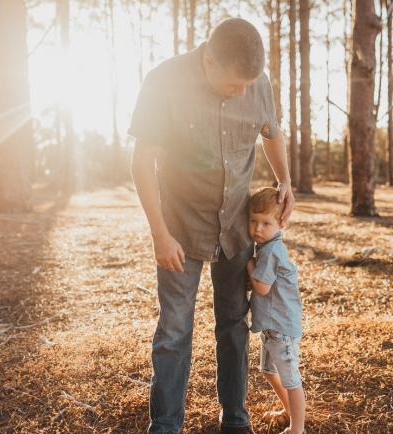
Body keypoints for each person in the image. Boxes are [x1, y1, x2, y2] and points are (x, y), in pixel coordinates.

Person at [128, 17, 295, 434]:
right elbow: (141, 161)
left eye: (248, 84)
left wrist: (285, 179)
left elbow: (270, 132)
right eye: (235, 84)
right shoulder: (163, 81)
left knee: (234, 326)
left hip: (237, 230)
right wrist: (159, 235)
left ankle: (236, 422)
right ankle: (165, 426)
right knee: (174, 331)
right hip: (181, 231)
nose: (244, 92)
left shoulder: (257, 83)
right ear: (209, 60)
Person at [246, 187, 305, 434]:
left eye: (266, 223)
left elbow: (261, 287)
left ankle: (297, 428)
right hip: (272, 326)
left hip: (281, 328)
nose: (258, 229)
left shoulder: (270, 251)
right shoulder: (266, 246)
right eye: (253, 221)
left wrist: (247, 264)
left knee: (292, 380)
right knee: (269, 371)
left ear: (281, 223)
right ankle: (289, 410)